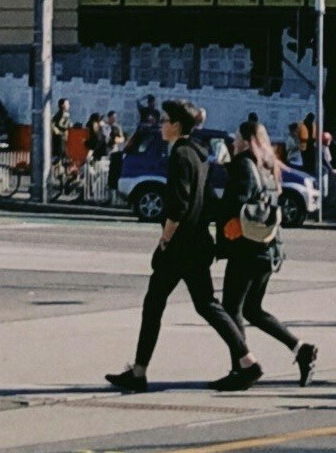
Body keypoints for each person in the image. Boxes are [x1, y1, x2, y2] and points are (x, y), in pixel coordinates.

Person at [106, 101, 254, 393]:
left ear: (176, 125)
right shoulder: (200, 154)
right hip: (199, 242)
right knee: (207, 304)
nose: (161, 125)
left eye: (164, 120)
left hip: (180, 246)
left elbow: (178, 203)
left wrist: (165, 238)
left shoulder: (180, 155)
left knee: (155, 305)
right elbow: (209, 199)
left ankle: (139, 372)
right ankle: (247, 361)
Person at [219, 119, 315, 382]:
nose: (234, 141)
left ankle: (242, 367)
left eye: (237, 137)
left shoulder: (244, 165)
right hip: (268, 248)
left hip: (247, 250)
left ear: (247, 140)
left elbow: (233, 206)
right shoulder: (269, 165)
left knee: (231, 309)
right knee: (252, 309)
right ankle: (301, 348)